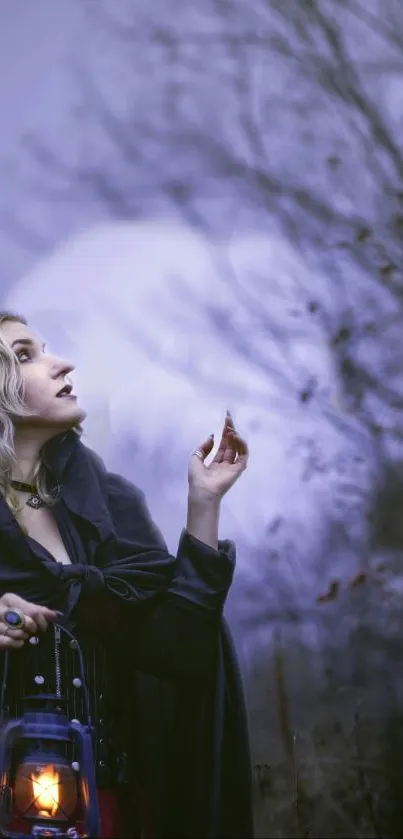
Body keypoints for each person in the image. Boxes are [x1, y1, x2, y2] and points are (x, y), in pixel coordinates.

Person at [0, 310, 253, 838]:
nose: (61, 363)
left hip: (99, 800)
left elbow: (178, 649)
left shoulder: (107, 503)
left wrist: (203, 504)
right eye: (26, 355)